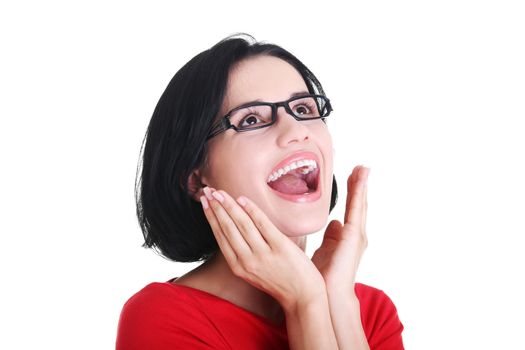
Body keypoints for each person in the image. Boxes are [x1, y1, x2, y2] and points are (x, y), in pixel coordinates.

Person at [116, 33, 404, 350]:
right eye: (251, 119)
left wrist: (337, 301)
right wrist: (306, 304)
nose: (297, 131)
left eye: (305, 109)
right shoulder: (161, 318)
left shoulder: (371, 312)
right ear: (196, 180)